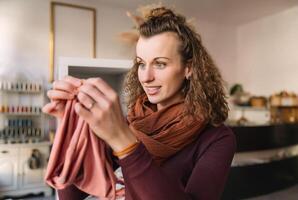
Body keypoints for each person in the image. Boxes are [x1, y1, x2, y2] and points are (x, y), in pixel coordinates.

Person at [43, 6, 236, 200]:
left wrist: (124, 142)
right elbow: (72, 195)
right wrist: (73, 126)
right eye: (141, 64)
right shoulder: (130, 123)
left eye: (160, 64)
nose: (146, 77)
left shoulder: (217, 139)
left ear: (188, 68)